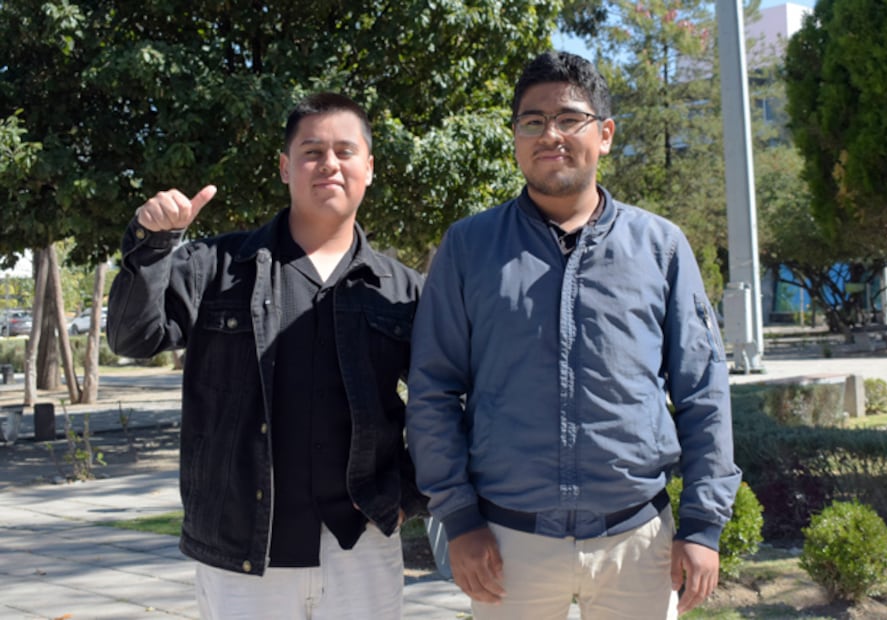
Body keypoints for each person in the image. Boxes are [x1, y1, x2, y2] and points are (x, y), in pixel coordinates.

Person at [405, 51, 742, 619]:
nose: (549, 135)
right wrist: (458, 519)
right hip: (507, 547)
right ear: (515, 138)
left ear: (605, 135)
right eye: (532, 122)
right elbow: (433, 388)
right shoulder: (469, 247)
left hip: (637, 546)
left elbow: (703, 391)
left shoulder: (660, 248)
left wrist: (704, 525)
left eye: (569, 119)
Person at [106, 92, 426, 619]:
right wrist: (151, 245)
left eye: (345, 151)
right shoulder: (216, 266)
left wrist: (407, 495)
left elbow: (445, 402)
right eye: (311, 151)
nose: (329, 164)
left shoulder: (404, 291)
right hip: (241, 553)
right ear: (284, 166)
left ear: (369, 166)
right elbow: (133, 337)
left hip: (361, 551)